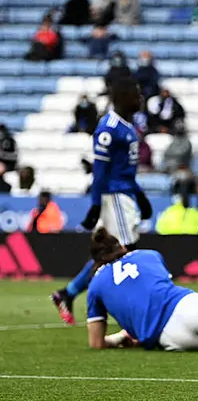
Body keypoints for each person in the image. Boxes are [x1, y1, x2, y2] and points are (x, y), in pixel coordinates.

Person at [50, 77, 153, 326]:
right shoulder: (109, 128)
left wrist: (140, 197)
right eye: (136, 95)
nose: (140, 99)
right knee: (123, 251)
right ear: (122, 98)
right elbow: (101, 171)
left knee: (116, 253)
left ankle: (70, 293)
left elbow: (124, 171)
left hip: (125, 194)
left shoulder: (127, 127)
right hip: (114, 197)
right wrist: (96, 204)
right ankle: (114, 305)